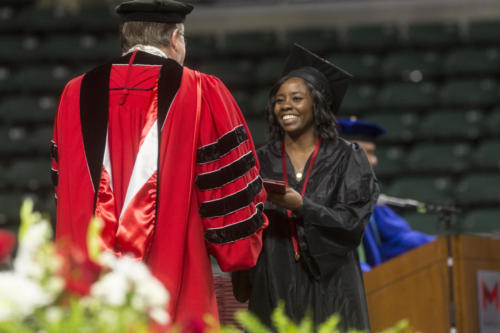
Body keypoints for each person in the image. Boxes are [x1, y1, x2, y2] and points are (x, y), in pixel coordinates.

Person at [51, 0, 268, 329]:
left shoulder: (74, 94)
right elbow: (228, 194)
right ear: (176, 38)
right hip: (174, 276)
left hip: (91, 277)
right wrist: (239, 253)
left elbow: (63, 189)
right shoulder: (201, 91)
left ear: (125, 38)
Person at [232, 44, 379, 331]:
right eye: (278, 99)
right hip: (273, 273)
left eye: (296, 98)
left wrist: (302, 206)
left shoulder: (348, 157)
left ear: (318, 104)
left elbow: (351, 222)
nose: (285, 105)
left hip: (331, 280)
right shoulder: (259, 160)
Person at [337, 118, 436, 272]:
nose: (375, 161)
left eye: (373, 153)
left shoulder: (370, 202)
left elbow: (399, 240)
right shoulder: (322, 198)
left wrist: (442, 246)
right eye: (367, 153)